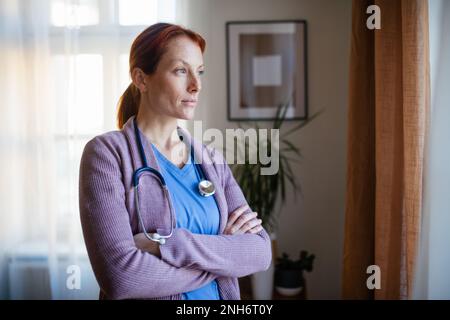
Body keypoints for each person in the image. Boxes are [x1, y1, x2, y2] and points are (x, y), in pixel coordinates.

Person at [79, 22, 272, 300]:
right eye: (181, 71)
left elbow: (260, 252)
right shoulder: (107, 154)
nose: (196, 85)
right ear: (141, 79)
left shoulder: (211, 159)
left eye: (200, 71)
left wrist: (167, 244)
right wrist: (223, 258)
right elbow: (121, 278)